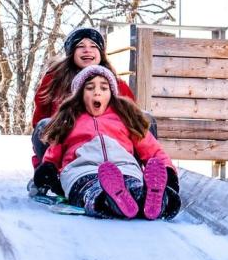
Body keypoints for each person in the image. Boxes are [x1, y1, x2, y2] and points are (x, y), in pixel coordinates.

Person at [30, 65, 181, 220]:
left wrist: (168, 171)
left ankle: (153, 199)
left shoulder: (125, 118)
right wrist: (48, 168)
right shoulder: (69, 119)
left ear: (111, 94)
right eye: (90, 88)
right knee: (92, 191)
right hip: (82, 170)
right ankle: (113, 199)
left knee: (134, 188)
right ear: (79, 94)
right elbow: (54, 152)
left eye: (104, 88)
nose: (97, 92)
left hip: (124, 168)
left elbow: (152, 149)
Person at [30, 26, 136, 166]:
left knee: (146, 120)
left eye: (93, 46)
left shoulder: (115, 83)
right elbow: (40, 119)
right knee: (43, 125)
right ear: (71, 52)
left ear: (101, 53)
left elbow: (134, 118)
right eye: (80, 46)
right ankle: (48, 174)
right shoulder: (54, 79)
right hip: (68, 146)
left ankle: (145, 174)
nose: (87, 49)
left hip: (109, 144)